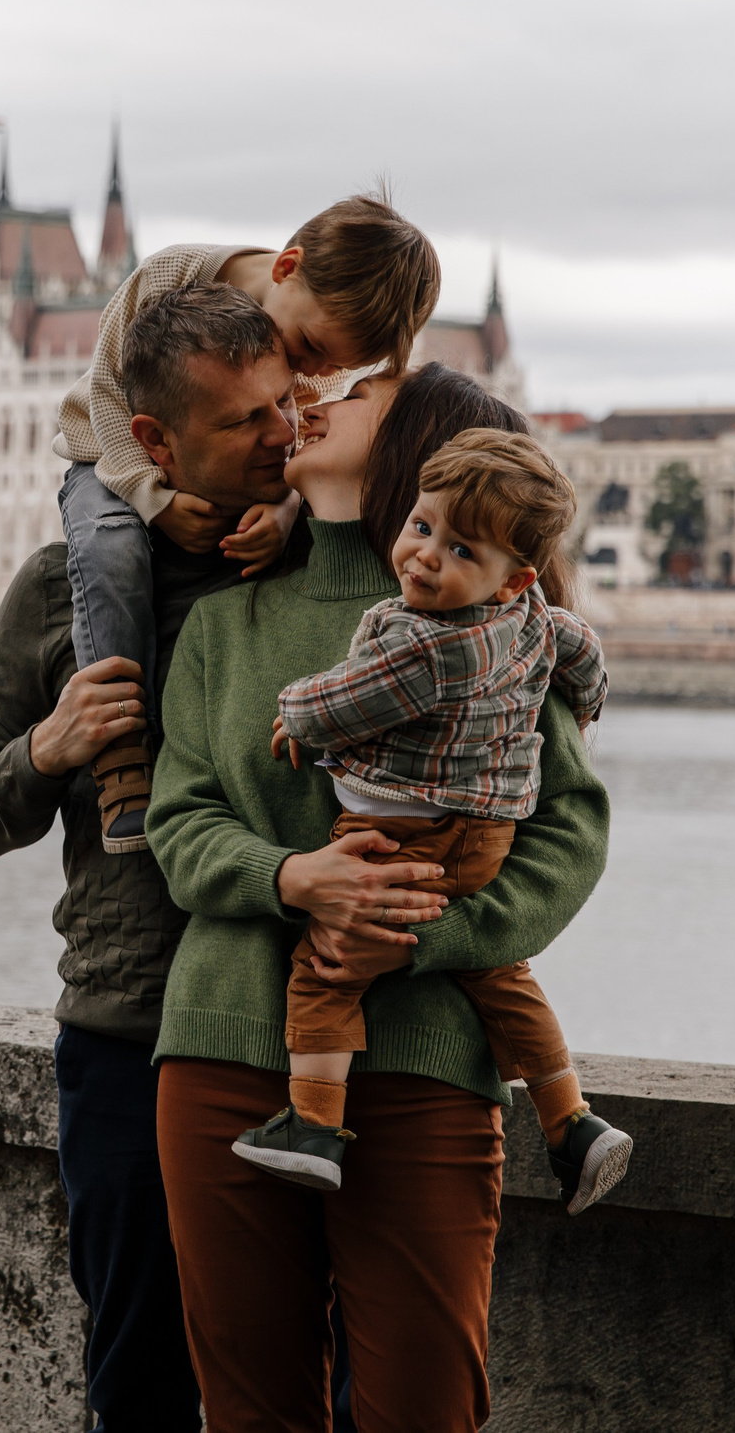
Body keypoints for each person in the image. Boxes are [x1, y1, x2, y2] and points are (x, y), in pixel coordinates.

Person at [147, 363, 612, 1432]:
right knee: (249, 1412)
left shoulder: (494, 626)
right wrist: (290, 877)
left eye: (357, 390)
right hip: (219, 1045)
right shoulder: (221, 622)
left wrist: (418, 936)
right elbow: (177, 820)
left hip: (425, 1057)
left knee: (423, 1407)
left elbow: (567, 838)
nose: (311, 398)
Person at [0, 283, 302, 1433]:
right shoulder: (60, 591)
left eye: (284, 405)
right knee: (135, 1374)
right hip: (125, 1029)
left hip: (298, 1032)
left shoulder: (313, 566)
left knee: (298, 1379)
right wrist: (50, 749)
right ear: (152, 442)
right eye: (244, 420)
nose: (280, 436)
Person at [235, 425, 634, 1217]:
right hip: (483, 836)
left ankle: (314, 1123)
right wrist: (586, 701)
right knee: (499, 973)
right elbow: (580, 644)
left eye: (459, 552)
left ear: (512, 578)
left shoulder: (427, 649)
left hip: (401, 833)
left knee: (329, 962)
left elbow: (344, 699)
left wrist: (296, 717)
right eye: (423, 529)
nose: (425, 556)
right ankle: (572, 1121)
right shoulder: (532, 622)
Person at [52, 195, 443, 855]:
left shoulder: (320, 354)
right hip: (105, 453)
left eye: (333, 369)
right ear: (287, 266)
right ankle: (120, 755)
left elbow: (300, 447)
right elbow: (107, 401)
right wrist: (153, 498)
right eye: (313, 348)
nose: (312, 374)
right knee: (110, 548)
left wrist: (288, 504)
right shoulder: (171, 275)